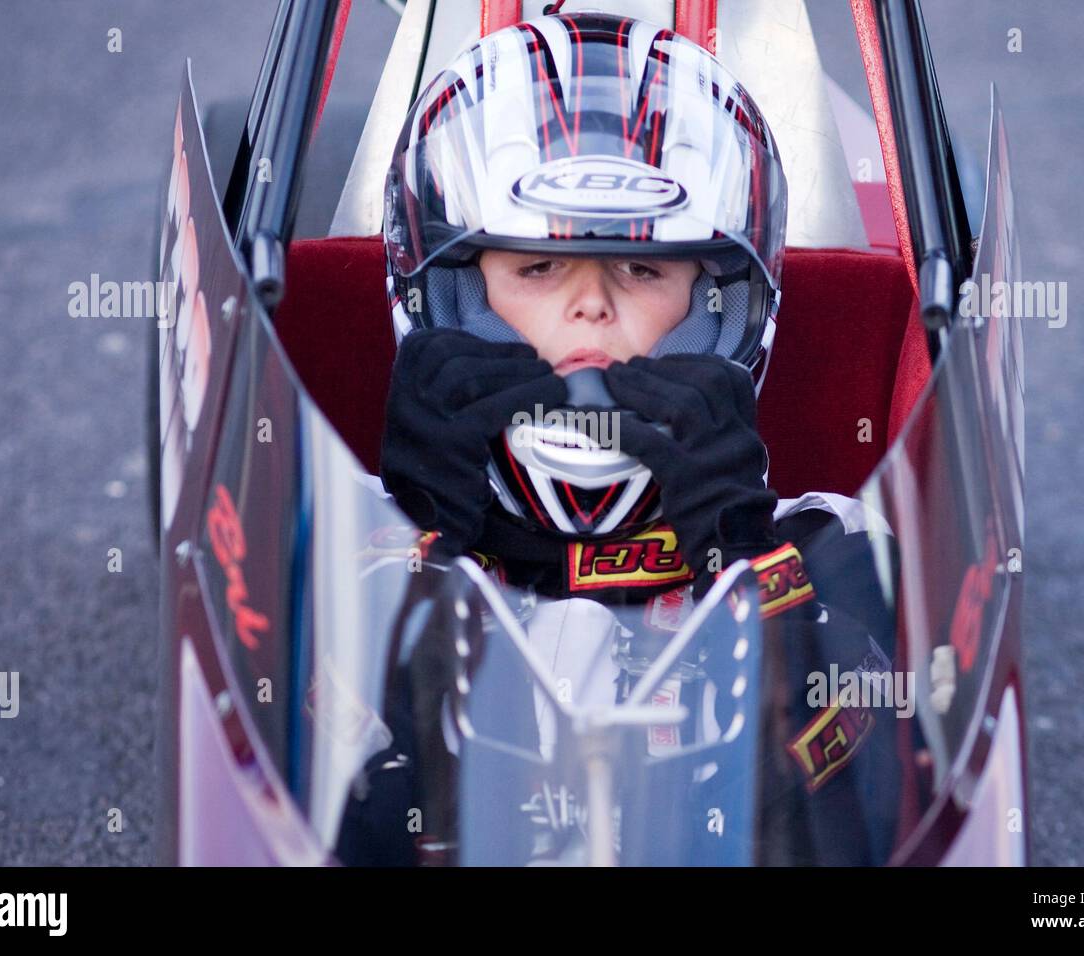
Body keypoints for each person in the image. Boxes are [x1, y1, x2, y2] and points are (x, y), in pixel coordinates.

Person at [341, 11, 906, 866]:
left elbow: (865, 825)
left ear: (722, 303)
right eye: (538, 267)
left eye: (641, 268)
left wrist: (746, 567)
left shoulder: (832, 548)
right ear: (451, 298)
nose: (592, 307)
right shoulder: (333, 544)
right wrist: (422, 556)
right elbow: (319, 820)